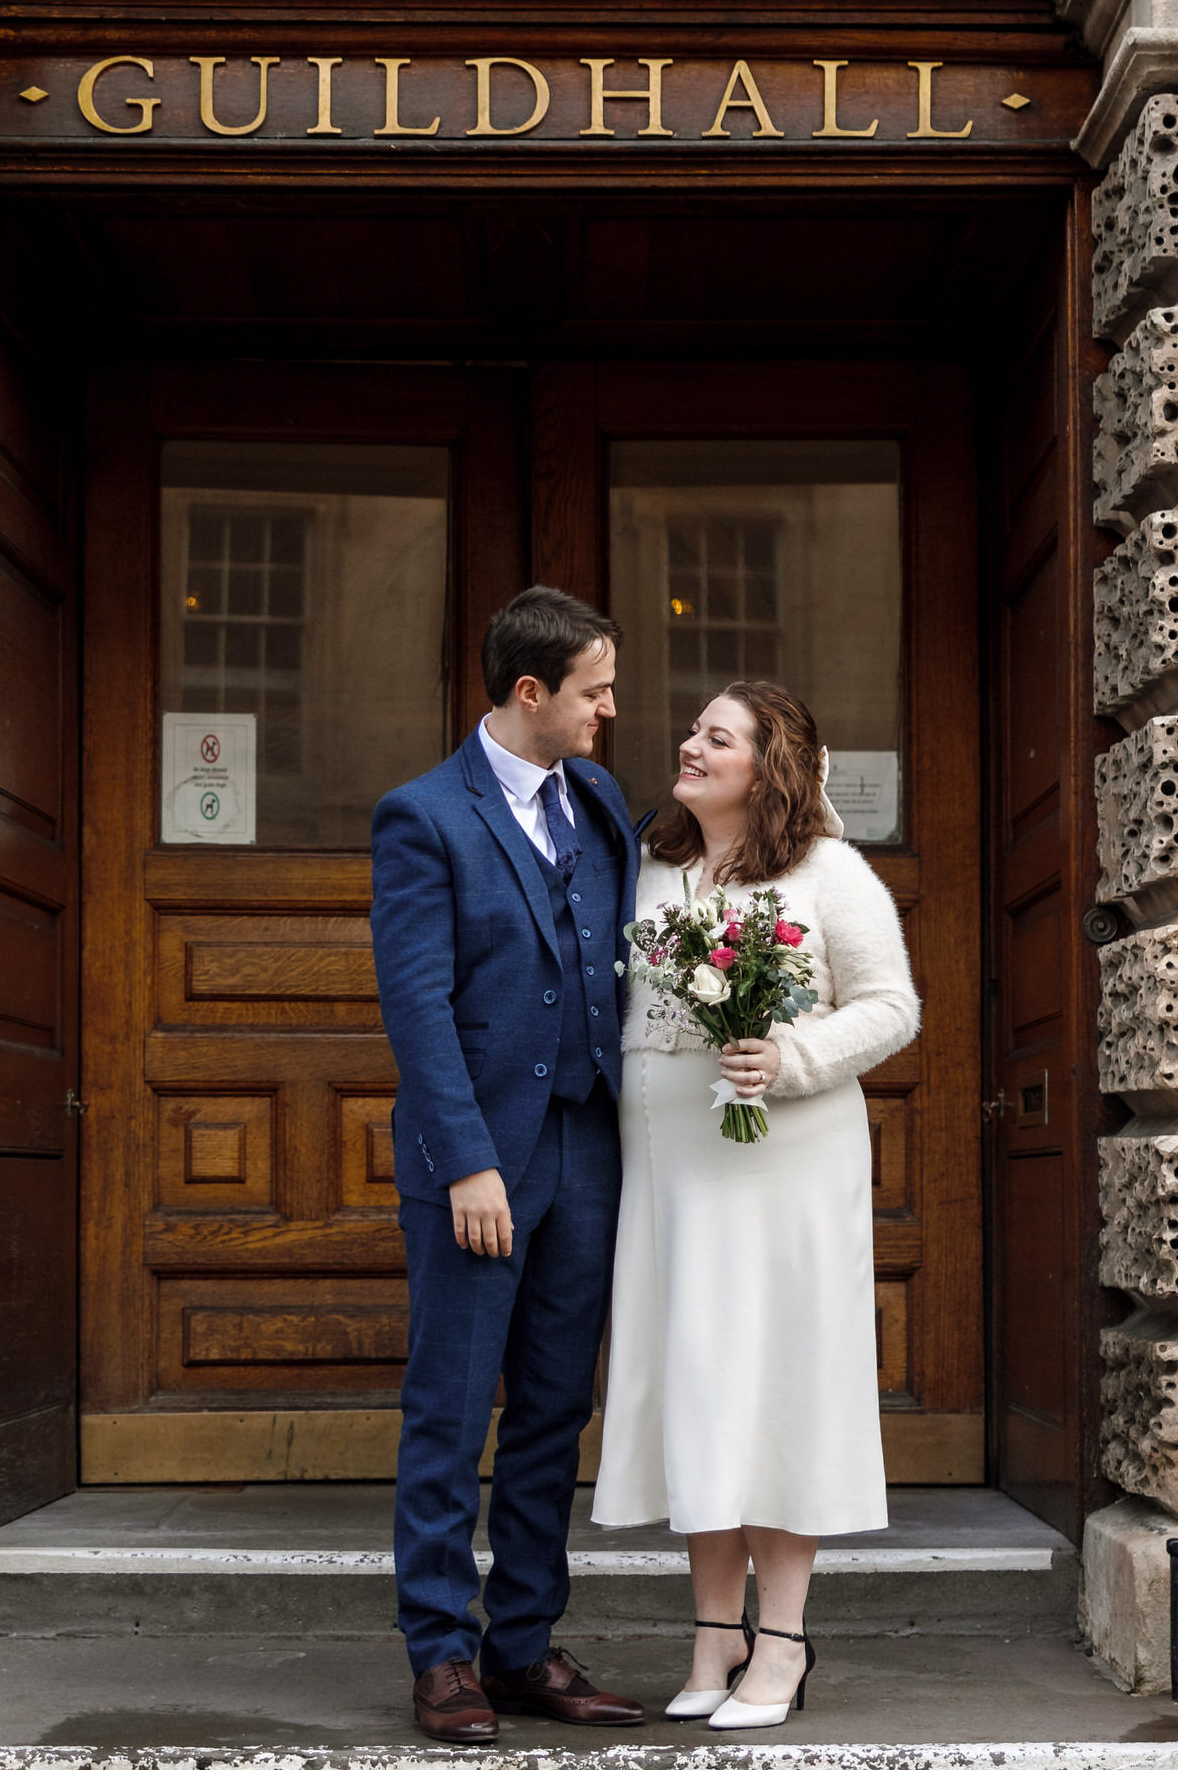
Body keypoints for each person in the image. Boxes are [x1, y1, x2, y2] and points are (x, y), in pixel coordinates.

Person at [592, 680, 920, 1728]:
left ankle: (780, 1640)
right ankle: (711, 1632)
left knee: (778, 1382)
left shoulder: (831, 873)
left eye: (715, 736)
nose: (687, 744)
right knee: (698, 1377)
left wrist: (789, 1054)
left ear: (766, 763)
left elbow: (890, 1007)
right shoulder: (648, 870)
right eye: (689, 727)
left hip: (786, 1161)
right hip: (672, 1169)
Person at [372, 587, 648, 1744]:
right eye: (596, 691)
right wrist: (466, 1163)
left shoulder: (599, 798)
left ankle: (523, 1645)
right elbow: (417, 1004)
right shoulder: (423, 815)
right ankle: (441, 1652)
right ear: (530, 693)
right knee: (450, 1407)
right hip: (478, 1162)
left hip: (589, 1146)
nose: (611, 711)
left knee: (550, 1408)